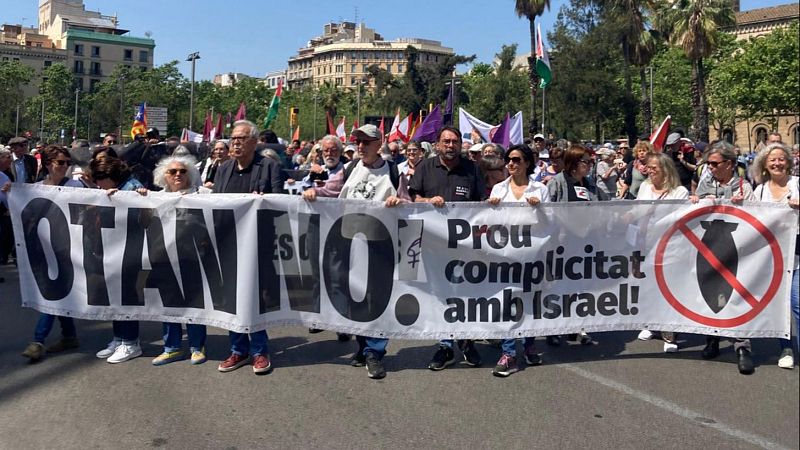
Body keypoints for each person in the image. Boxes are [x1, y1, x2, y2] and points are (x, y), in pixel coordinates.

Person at [311, 124, 400, 379]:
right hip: (349, 244)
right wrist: (313, 192)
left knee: (375, 300)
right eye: (357, 142)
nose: (360, 147)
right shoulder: (349, 168)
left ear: (379, 143)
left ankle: (375, 352)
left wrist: (398, 202)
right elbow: (331, 190)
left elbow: (407, 202)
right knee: (354, 299)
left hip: (378, 245)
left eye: (366, 142)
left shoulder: (393, 171)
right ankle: (362, 346)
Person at [408, 126, 487, 371]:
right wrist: (428, 201)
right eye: (446, 141)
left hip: (462, 247)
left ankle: (463, 338)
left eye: (455, 141)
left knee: (463, 294)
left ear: (460, 145)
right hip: (432, 246)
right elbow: (413, 198)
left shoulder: (472, 170)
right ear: (438, 144)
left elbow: (481, 205)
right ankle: (445, 345)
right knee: (441, 294)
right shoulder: (425, 167)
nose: (450, 145)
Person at [213, 120, 283, 375]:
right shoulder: (224, 169)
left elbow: (280, 204)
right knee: (232, 300)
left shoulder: (270, 167)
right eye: (233, 138)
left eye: (241, 138)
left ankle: (260, 351)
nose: (236, 143)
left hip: (258, 245)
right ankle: (238, 350)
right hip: (229, 244)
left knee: (255, 299)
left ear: (255, 142)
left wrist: (262, 203)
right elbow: (216, 203)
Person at [690, 141, 756, 375]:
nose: (711, 167)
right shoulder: (705, 184)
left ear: (729, 164)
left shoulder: (743, 186)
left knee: (736, 295)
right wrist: (694, 202)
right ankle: (712, 339)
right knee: (710, 292)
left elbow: (757, 216)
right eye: (708, 163)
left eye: (715, 163)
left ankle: (742, 346)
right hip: (710, 247)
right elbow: (696, 214)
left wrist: (744, 206)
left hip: (736, 248)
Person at [142, 156, 211, 366]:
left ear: (190, 174)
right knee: (169, 302)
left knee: (193, 302)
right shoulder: (154, 198)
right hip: (163, 259)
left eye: (182, 171)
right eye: (172, 172)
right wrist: (139, 200)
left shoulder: (203, 195)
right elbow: (143, 223)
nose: (178, 174)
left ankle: (197, 347)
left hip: (193, 258)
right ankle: (171, 347)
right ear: (164, 176)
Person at [486, 144, 548, 376]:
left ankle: (530, 344)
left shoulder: (540, 189)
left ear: (527, 163)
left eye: (516, 160)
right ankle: (509, 352)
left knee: (530, 301)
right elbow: (491, 224)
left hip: (532, 255)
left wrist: (540, 209)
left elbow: (550, 221)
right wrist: (491, 208)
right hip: (506, 256)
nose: (511, 164)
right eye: (508, 160)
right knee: (507, 302)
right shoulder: (499, 189)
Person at [18, 146, 84, 361]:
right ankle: (70, 335)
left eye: (67, 162)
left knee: (54, 295)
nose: (65, 166)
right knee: (59, 294)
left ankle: (38, 340)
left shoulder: (74, 185)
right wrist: (11, 192)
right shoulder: (36, 189)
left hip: (69, 250)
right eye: (60, 162)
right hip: (44, 250)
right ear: (48, 164)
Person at [91, 153, 146, 363]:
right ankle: (119, 337)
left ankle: (131, 341)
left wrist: (122, 199)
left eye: (99, 179)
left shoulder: (132, 187)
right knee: (114, 293)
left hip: (129, 251)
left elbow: (142, 218)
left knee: (127, 294)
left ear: (109, 175)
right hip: (114, 248)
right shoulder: (114, 188)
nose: (97, 184)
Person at [634, 152, 689, 352]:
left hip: (670, 246)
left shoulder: (679, 192)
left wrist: (653, 214)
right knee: (649, 285)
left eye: (654, 168)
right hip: (646, 243)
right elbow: (638, 211)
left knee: (669, 286)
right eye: (648, 168)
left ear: (665, 170)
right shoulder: (644, 187)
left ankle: (669, 330)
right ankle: (650, 322)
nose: (650, 171)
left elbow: (677, 218)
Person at [750, 143, 799, 369]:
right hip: (771, 256)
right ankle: (786, 347)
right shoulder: (759, 190)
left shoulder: (797, 184)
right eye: (772, 160)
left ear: (788, 162)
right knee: (779, 304)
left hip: (797, 254)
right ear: (765, 165)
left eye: (781, 159)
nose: (777, 163)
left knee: (797, 303)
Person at [547, 144, 600, 345]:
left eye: (590, 161)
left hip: (585, 245)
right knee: (558, 287)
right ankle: (553, 328)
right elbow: (548, 210)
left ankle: (579, 327)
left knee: (581, 287)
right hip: (562, 245)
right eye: (586, 161)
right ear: (574, 163)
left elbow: (604, 206)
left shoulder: (590, 184)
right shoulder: (558, 183)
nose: (589, 165)